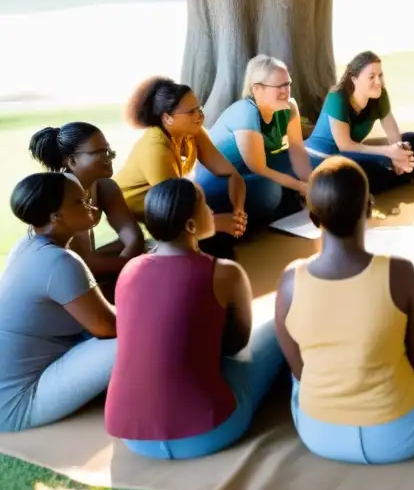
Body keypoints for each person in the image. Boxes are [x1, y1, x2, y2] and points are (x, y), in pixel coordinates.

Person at [274, 157, 414, 464]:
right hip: (402, 434)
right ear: (368, 208)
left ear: (313, 219)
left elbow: (299, 370)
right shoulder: (398, 273)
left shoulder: (290, 281)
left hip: (317, 433)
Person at [105, 178, 285, 459]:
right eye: (206, 205)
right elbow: (235, 346)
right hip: (208, 431)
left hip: (133, 437)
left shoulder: (129, 270)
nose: (212, 210)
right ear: (191, 226)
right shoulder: (224, 272)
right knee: (276, 325)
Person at [0, 173, 117, 433]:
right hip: (17, 403)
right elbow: (109, 328)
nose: (90, 205)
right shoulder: (59, 262)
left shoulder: (26, 245)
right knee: (136, 341)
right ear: (56, 216)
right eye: (79, 202)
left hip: (18, 382)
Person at [115, 77, 247, 242]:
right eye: (191, 112)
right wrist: (220, 223)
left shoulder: (194, 133)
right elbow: (173, 211)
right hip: (129, 207)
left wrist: (238, 210)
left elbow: (231, 174)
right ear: (167, 118)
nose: (200, 115)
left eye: (199, 108)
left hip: (166, 206)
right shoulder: (156, 148)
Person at [196, 55, 313, 226]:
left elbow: (297, 151)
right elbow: (258, 168)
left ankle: (285, 208)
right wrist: (301, 187)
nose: (286, 91)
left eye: (288, 84)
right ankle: (257, 218)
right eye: (279, 86)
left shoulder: (289, 107)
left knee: (310, 166)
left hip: (248, 171)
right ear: (257, 89)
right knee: (269, 190)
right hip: (221, 178)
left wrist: (309, 182)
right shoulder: (246, 112)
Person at [305, 51, 414, 194]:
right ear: (354, 79)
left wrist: (399, 151)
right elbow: (345, 145)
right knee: (367, 168)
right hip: (322, 157)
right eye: (371, 77)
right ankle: (402, 177)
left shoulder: (379, 95)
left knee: (411, 139)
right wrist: (390, 153)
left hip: (353, 152)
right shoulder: (337, 97)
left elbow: (393, 133)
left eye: (380, 75)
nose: (378, 82)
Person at [29, 122, 144, 281]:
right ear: (72, 161)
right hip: (54, 278)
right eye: (101, 153)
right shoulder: (63, 196)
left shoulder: (104, 186)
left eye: (108, 150)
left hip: (78, 267)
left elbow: (134, 237)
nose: (110, 157)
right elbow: (84, 263)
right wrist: (130, 267)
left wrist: (125, 267)